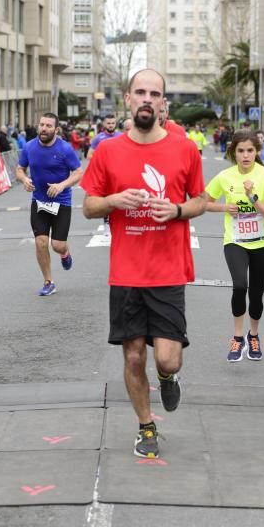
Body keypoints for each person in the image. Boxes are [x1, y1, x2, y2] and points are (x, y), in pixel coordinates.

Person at [81, 68, 207, 459]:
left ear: (163, 102)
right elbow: (88, 206)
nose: (147, 98)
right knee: (133, 354)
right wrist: (114, 201)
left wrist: (178, 209)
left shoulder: (184, 149)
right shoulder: (108, 151)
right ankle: (145, 426)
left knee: (167, 356)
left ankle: (168, 378)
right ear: (128, 99)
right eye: (141, 92)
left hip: (168, 270)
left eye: (155, 93)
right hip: (126, 273)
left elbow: (201, 200)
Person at [205, 130, 264, 362]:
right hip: (235, 241)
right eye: (241, 151)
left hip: (262, 244)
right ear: (234, 153)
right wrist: (224, 208)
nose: (246, 155)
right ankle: (237, 337)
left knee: (256, 295)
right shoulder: (224, 176)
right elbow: (203, 203)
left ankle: (253, 335)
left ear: (256, 152)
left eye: (250, 150)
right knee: (240, 286)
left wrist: (253, 197)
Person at [16, 112, 82, 296]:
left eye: (48, 126)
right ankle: (48, 281)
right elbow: (20, 169)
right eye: (42, 125)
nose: (44, 129)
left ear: (56, 129)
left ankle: (65, 253)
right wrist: (24, 180)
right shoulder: (29, 147)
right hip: (39, 202)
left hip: (61, 202)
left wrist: (61, 186)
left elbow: (78, 172)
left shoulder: (65, 149)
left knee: (57, 245)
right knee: (41, 242)